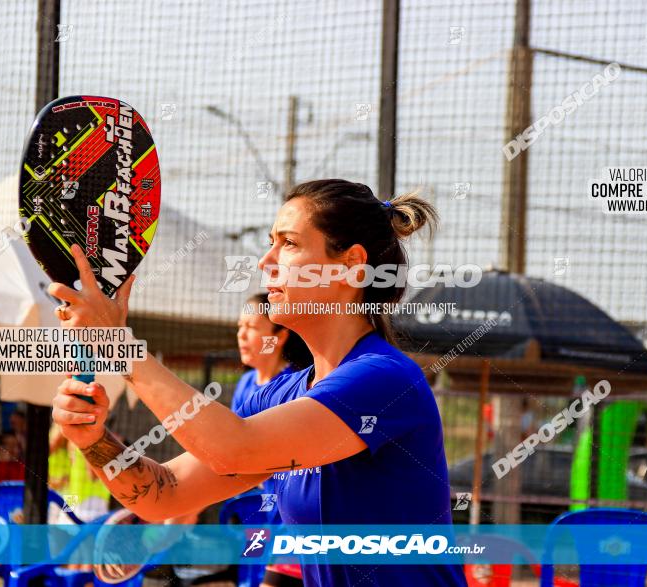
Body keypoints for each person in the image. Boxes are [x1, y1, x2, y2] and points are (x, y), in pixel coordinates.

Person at [50, 179, 468, 587]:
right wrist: (93, 439)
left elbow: (234, 448)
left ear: (351, 264)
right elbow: (165, 495)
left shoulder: (383, 378)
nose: (266, 261)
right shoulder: (283, 393)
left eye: (288, 243)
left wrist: (120, 346)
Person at [233, 292, 311, 587]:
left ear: (279, 336)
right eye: (239, 326)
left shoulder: (296, 387)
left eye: (251, 327)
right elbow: (230, 451)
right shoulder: (245, 384)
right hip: (256, 511)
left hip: (287, 516)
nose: (241, 334)